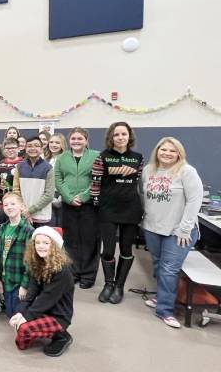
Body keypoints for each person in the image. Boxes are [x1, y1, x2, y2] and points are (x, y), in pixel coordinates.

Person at [141, 137, 203, 328]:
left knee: (169, 269)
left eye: (172, 151)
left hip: (178, 231)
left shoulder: (186, 171)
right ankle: (161, 297)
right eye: (163, 149)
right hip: (152, 227)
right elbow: (145, 197)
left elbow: (195, 200)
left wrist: (185, 228)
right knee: (159, 265)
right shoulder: (148, 170)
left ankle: (165, 310)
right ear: (157, 151)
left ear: (179, 154)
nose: (167, 153)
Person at [91, 122, 144, 304]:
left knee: (127, 249)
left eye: (124, 134)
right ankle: (108, 284)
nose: (120, 137)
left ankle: (119, 286)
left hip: (131, 209)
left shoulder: (138, 158)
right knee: (108, 250)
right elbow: (95, 183)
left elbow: (139, 184)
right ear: (111, 137)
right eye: (116, 134)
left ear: (129, 136)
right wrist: (97, 203)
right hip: (108, 208)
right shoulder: (102, 157)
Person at [9, 226, 74, 357]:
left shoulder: (62, 270)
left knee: (23, 329)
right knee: (18, 320)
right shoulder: (37, 263)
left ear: (54, 246)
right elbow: (31, 293)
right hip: (45, 310)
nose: (41, 246)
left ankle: (62, 335)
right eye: (37, 243)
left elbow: (46, 298)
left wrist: (26, 318)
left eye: (46, 243)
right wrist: (21, 312)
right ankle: (50, 331)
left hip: (59, 315)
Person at [55, 127, 100, 289]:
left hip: (89, 205)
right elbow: (58, 179)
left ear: (86, 140)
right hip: (68, 204)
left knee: (89, 240)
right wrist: (68, 197)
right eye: (73, 138)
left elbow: (97, 179)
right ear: (69, 140)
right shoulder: (62, 158)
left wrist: (83, 196)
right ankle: (73, 272)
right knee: (71, 240)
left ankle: (88, 274)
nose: (76, 141)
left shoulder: (96, 156)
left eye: (80, 138)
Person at [0, 193, 34, 317]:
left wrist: (24, 285)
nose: (9, 207)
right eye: (6, 205)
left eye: (13, 204)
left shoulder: (28, 230)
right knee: (9, 313)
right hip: (6, 278)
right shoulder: (2, 229)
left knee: (17, 315)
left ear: (21, 207)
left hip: (19, 280)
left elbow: (31, 261)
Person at [13, 136, 55, 227]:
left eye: (36, 146)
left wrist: (29, 211)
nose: (33, 148)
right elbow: (16, 191)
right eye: (30, 146)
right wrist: (24, 210)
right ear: (25, 148)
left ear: (41, 148)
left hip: (42, 218)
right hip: (22, 215)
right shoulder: (19, 167)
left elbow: (49, 195)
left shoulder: (48, 168)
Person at [45, 133, 67, 227]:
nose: (53, 145)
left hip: (63, 197)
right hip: (48, 198)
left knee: (62, 226)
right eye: (51, 142)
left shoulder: (67, 159)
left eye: (57, 143)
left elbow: (67, 179)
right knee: (51, 227)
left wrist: (62, 197)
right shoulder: (46, 160)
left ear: (62, 145)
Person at [0, 138, 23, 205]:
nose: (10, 150)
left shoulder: (24, 163)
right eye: (7, 148)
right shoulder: (0, 163)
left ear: (18, 149)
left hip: (18, 201)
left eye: (13, 147)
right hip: (2, 201)